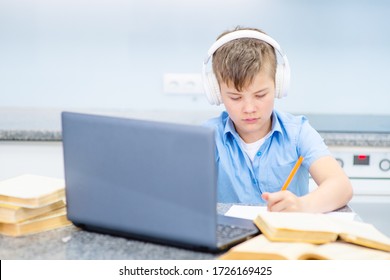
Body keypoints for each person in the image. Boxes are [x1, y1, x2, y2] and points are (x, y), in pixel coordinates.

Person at [202, 26, 353, 213]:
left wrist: (303, 205)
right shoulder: (207, 136)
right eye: (235, 97)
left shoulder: (298, 132)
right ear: (216, 93)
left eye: (260, 95)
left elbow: (340, 186)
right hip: (230, 239)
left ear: (279, 85)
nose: (249, 108)